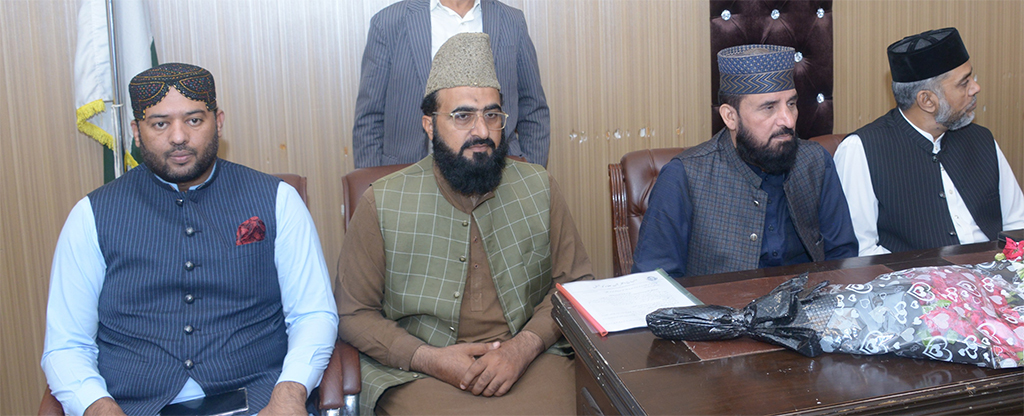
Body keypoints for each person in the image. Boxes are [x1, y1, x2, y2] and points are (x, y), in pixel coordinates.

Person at [41, 63, 338, 415]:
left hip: (259, 399)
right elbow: (66, 345)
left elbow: (312, 313)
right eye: (160, 123)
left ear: (219, 122)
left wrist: (290, 393)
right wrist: (98, 407)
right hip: (133, 406)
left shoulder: (277, 199)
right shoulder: (91, 215)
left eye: (194, 120)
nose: (179, 137)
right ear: (136, 131)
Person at [337, 33, 592, 415]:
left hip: (532, 363)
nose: (482, 132)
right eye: (463, 116)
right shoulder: (383, 201)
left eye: (492, 115)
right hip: (421, 376)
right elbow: (352, 313)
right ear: (428, 124)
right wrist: (428, 358)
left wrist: (523, 347)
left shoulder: (538, 186)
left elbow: (574, 284)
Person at [632, 45, 858, 278]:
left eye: (791, 104)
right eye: (769, 108)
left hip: (809, 308)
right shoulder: (684, 177)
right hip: (717, 312)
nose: (788, 121)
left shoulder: (815, 162)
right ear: (730, 117)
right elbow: (654, 283)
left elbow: (842, 257)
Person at [834, 27, 1024, 255]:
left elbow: (1017, 224)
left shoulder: (982, 139)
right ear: (927, 101)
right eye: (964, 83)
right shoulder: (861, 150)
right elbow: (860, 249)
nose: (976, 87)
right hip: (913, 285)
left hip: (997, 280)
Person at [352, 0, 550, 168]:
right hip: (411, 176)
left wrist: (531, 176)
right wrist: (374, 187)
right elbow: (369, 118)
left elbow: (533, 108)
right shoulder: (388, 23)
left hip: (498, 176)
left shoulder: (512, 22)